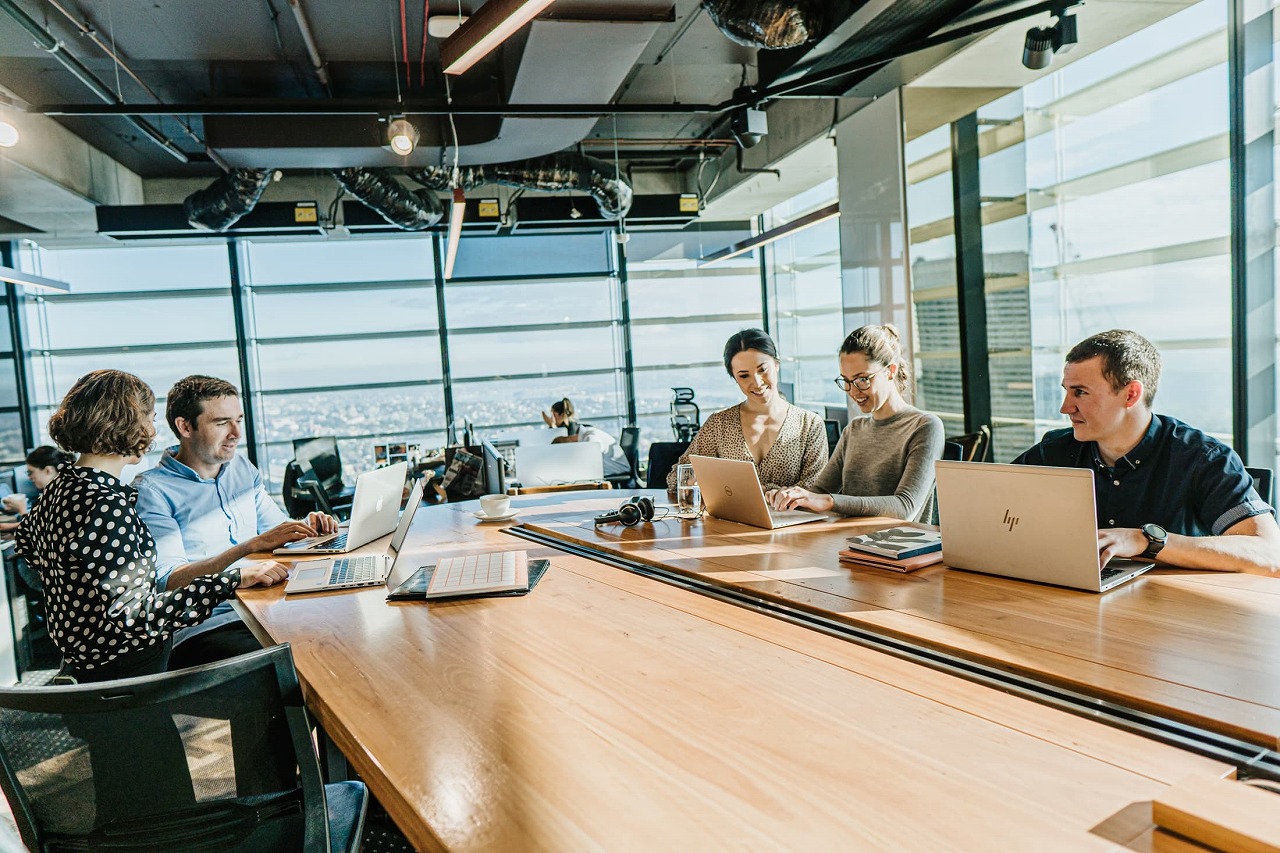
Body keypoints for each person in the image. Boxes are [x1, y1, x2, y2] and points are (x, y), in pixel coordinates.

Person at [13, 370, 288, 682]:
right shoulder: (105, 502)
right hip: (132, 680)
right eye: (150, 418)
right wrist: (230, 580)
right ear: (125, 421)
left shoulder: (59, 489)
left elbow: (30, 559)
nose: (154, 431)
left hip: (86, 675)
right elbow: (134, 617)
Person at [1012, 329, 1280, 573]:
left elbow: (1269, 554)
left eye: (1080, 392)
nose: (1065, 407)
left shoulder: (1203, 458)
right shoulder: (1053, 451)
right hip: (1072, 598)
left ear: (1130, 395)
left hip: (1173, 614)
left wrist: (1146, 540)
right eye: (1067, 391)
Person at [134, 375, 338, 669]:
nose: (236, 433)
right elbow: (169, 581)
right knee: (311, 656)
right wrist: (249, 546)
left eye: (238, 420)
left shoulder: (240, 468)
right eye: (221, 423)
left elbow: (276, 531)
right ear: (185, 426)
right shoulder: (153, 492)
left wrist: (306, 526)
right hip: (209, 624)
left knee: (340, 634)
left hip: (268, 605)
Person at [769, 324, 945, 521]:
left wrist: (830, 501)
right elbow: (818, 492)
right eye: (846, 380)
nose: (853, 391)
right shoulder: (854, 429)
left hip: (898, 546)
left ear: (890, 371)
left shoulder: (925, 426)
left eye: (862, 379)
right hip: (849, 542)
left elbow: (905, 507)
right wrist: (791, 498)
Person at [668, 329, 827, 492]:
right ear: (735, 379)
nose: (757, 382)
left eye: (763, 370)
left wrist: (772, 493)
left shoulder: (810, 424)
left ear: (776, 365)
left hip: (793, 517)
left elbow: (818, 488)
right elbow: (677, 478)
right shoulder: (719, 424)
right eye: (744, 376)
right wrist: (696, 482)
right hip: (729, 517)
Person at [541, 397, 631, 477]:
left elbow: (585, 462)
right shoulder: (584, 432)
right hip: (607, 469)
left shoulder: (590, 438)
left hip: (616, 471)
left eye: (553, 415)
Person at [0, 445, 74, 532]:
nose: (29, 477)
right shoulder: (55, 491)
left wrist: (21, 509)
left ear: (48, 470)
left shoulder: (61, 496)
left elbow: (40, 531)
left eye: (30, 472)